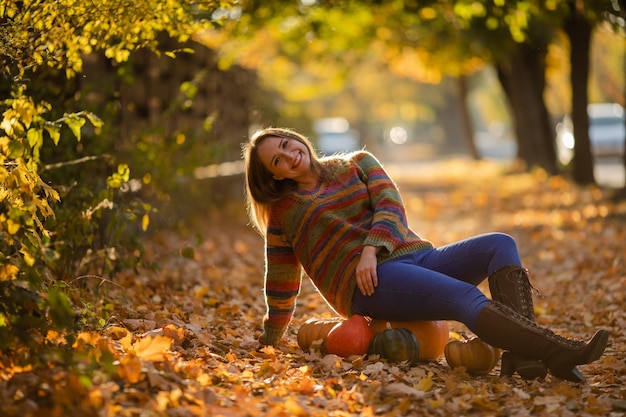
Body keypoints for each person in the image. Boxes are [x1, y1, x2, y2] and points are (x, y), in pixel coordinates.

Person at [242, 127, 609, 383]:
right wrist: (272, 337)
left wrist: (371, 248)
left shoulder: (357, 163)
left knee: (500, 243)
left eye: (287, 144)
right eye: (277, 160)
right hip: (370, 284)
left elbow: (390, 205)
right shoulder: (286, 212)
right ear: (273, 177)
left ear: (296, 139)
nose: (290, 155)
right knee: (465, 298)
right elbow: (281, 277)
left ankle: (523, 355)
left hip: (415, 257)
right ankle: (553, 351)